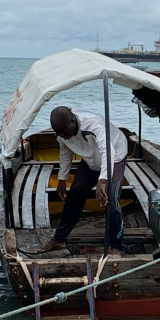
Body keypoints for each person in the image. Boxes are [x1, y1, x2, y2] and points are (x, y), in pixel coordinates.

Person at [38, 107, 128, 256]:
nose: (63, 136)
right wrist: (62, 178)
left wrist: (103, 180)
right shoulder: (62, 133)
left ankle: (116, 246)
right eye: (59, 134)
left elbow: (108, 151)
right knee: (76, 192)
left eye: (65, 132)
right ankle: (59, 238)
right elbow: (65, 152)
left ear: (73, 120)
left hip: (115, 155)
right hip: (91, 159)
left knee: (112, 198)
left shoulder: (93, 125)